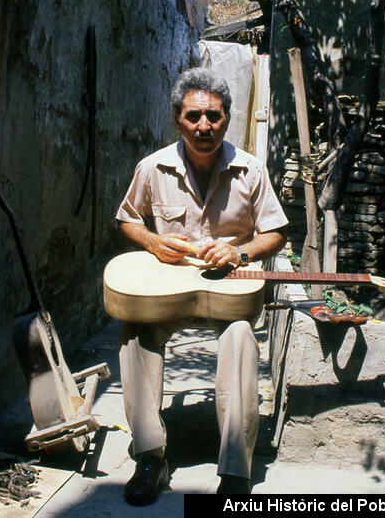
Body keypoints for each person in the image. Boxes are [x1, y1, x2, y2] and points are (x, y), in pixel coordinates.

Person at [115, 68, 288, 503]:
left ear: (227, 118)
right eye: (193, 117)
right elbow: (127, 220)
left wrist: (241, 253)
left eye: (213, 115)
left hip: (228, 294)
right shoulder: (152, 168)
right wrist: (154, 242)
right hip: (167, 293)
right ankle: (151, 458)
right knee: (134, 334)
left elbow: (277, 232)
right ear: (177, 120)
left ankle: (235, 470)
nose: (204, 126)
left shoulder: (250, 170)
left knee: (241, 338)